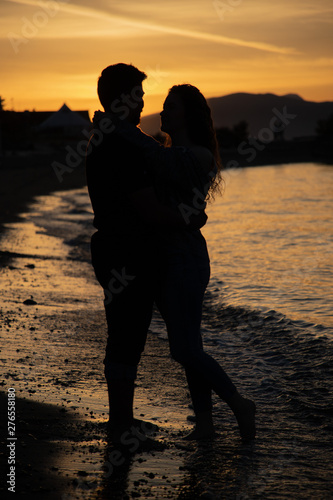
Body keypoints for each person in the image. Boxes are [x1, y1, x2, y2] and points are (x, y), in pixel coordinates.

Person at [96, 83, 256, 442]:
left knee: (183, 349)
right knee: (190, 349)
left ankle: (239, 404)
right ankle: (205, 425)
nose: (162, 111)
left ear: (188, 114)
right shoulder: (167, 148)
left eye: (170, 106)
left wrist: (113, 124)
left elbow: (154, 157)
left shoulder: (197, 155)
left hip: (185, 260)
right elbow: (148, 158)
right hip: (166, 259)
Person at [85, 64, 206, 443]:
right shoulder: (119, 145)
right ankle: (122, 424)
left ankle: (128, 421)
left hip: (123, 249)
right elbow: (150, 210)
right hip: (126, 252)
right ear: (121, 99)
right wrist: (190, 219)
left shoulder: (116, 137)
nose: (142, 102)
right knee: (127, 334)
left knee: (129, 333)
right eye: (137, 94)